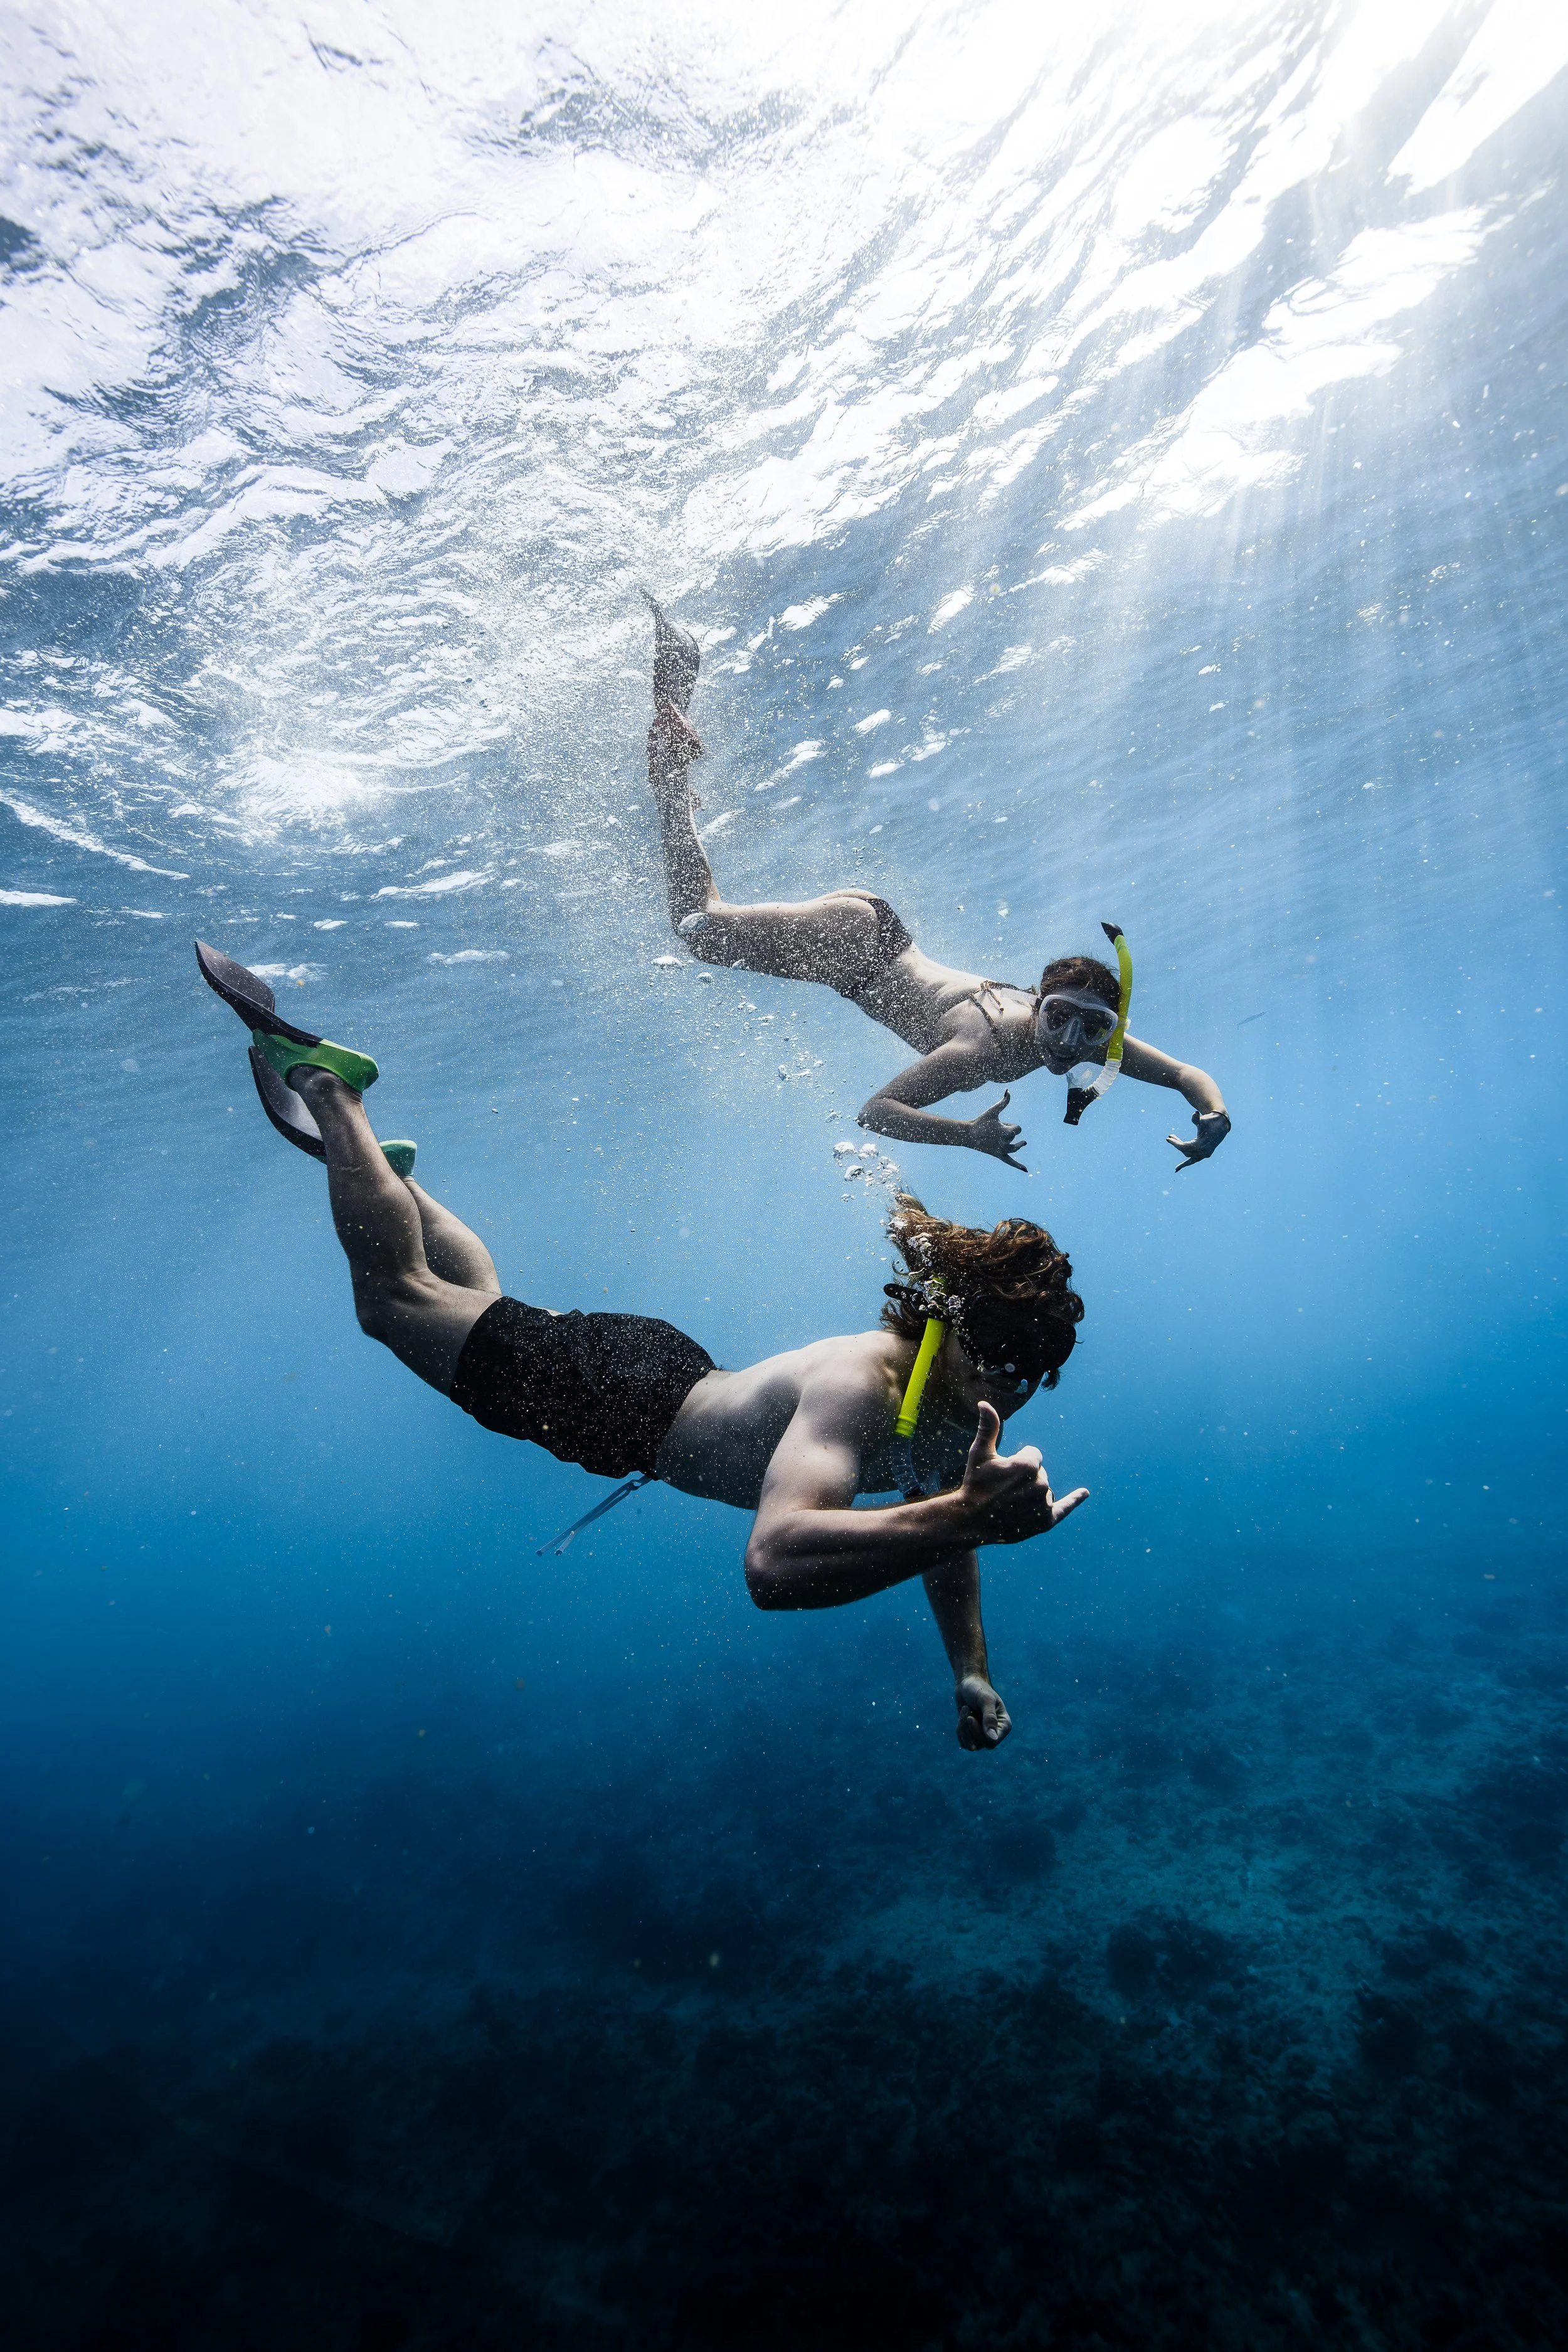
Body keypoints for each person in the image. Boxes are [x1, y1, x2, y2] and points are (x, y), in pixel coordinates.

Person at [196, 941, 1091, 1751]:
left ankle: (375, 1175)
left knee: (487, 1308)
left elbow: (941, 1515)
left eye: (1030, 1379)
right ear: (945, 1325)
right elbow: (775, 1563)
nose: (1008, 1395)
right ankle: (328, 1090)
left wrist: (969, 1667)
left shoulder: (955, 1403)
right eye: (998, 1364)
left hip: (667, 1376)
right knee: (396, 1300)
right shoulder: (865, 1383)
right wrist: (969, 1516)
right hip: (621, 1403)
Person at [643, 601, 1230, 1175]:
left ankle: (677, 785)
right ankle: (672, 771)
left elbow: (1183, 1074)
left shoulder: (1085, 1037)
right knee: (697, 928)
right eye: (1059, 1019)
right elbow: (876, 1114)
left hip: (871, 944)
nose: (1072, 1042)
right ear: (1037, 1007)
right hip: (856, 950)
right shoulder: (985, 1046)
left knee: (703, 928)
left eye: (1093, 1028)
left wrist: (1215, 1113)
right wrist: (968, 1136)